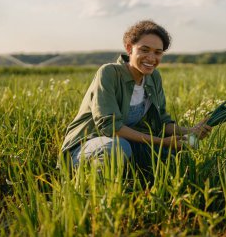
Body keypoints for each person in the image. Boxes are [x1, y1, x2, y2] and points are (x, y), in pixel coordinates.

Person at [61, 20, 212, 170]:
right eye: (144, 50)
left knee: (188, 145)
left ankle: (134, 177)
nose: (151, 58)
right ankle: (93, 189)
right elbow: (110, 128)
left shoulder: (154, 77)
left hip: (125, 143)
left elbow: (163, 123)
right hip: (88, 146)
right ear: (129, 48)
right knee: (118, 147)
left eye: (158, 52)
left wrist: (191, 131)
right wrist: (161, 142)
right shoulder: (109, 73)